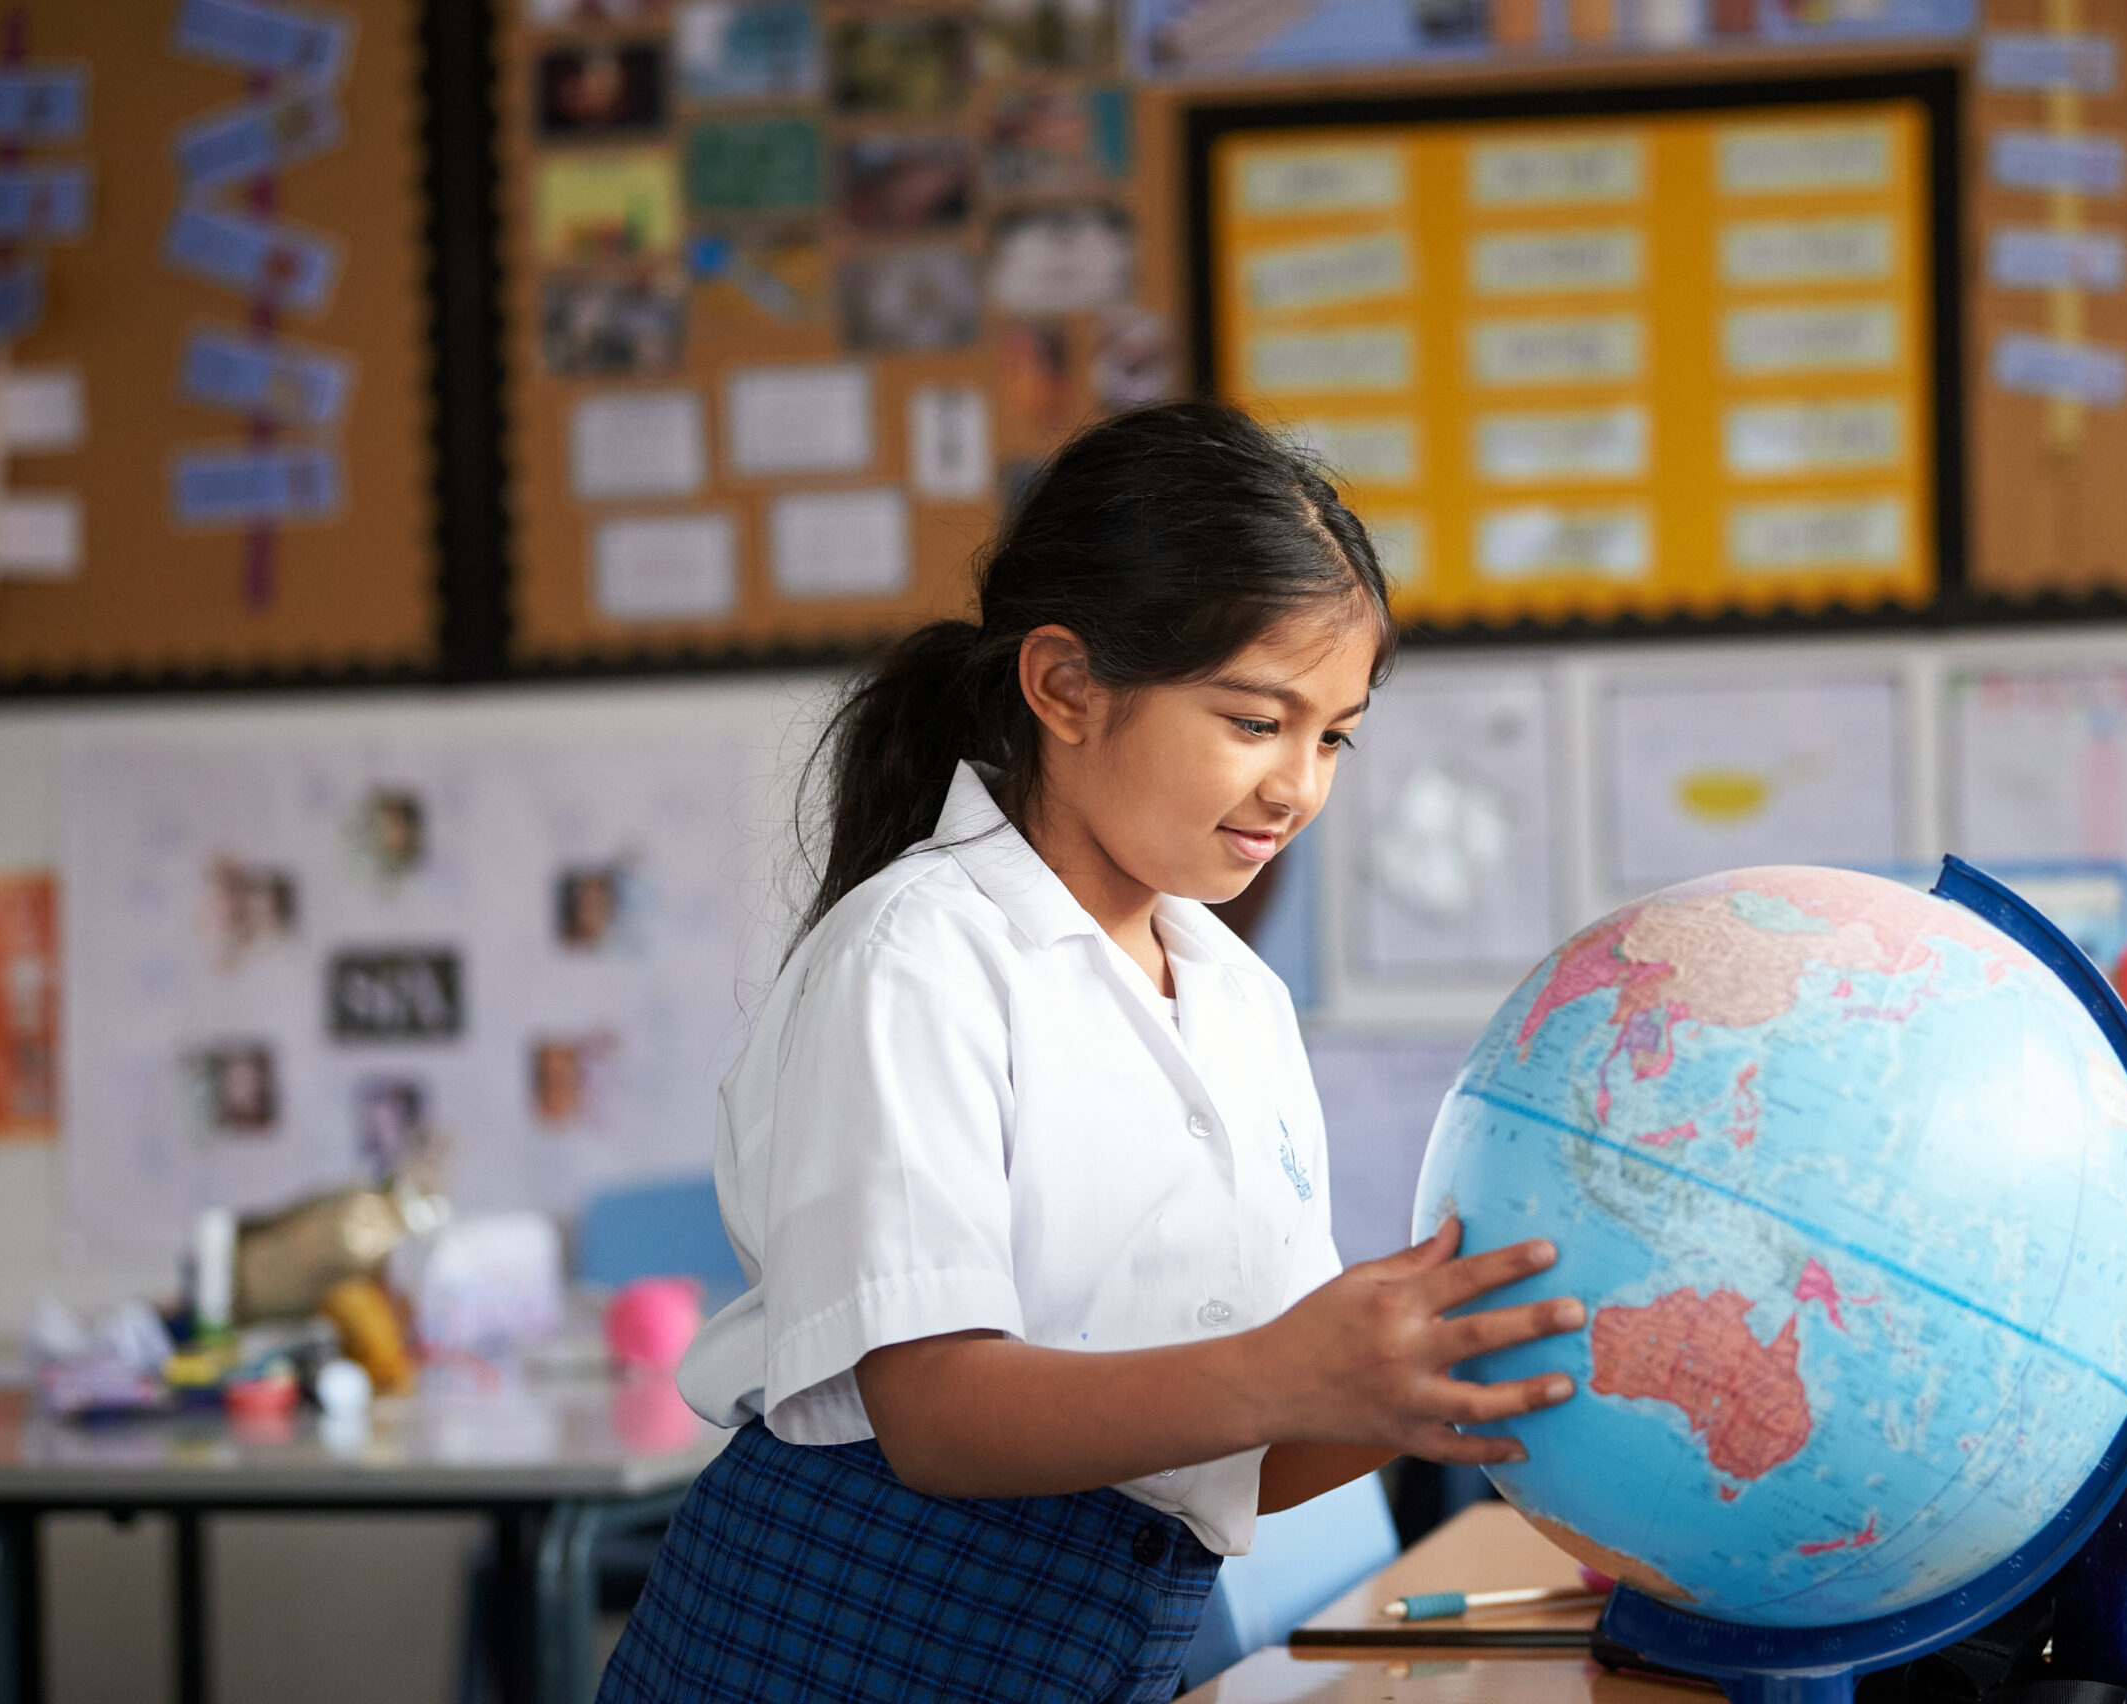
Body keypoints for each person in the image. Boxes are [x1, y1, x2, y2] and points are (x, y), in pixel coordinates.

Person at [597, 400, 1583, 1703]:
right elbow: (938, 1414)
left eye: (1333, 735)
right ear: (1065, 685)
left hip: (1092, 1656)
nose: (1300, 785)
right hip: (831, 1643)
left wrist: (1420, 1392)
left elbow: (1232, 1460)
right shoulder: (917, 953)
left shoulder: (1237, 1002)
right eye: (1253, 720)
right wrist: (1283, 1372)